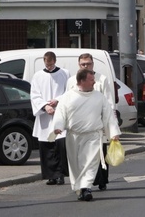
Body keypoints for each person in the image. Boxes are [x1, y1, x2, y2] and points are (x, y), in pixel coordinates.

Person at [53, 69, 121, 202]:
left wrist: (113, 133)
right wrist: (58, 127)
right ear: (82, 81)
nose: (94, 82)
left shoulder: (99, 97)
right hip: (74, 136)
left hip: (93, 136)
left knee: (91, 163)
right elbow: (60, 113)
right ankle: (79, 188)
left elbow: (108, 116)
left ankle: (86, 188)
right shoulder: (68, 96)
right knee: (76, 164)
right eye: (91, 80)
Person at [65, 53, 116, 191]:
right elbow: (67, 102)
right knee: (81, 156)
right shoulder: (71, 81)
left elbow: (109, 102)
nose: (86, 66)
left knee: (99, 153)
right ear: (79, 65)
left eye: (88, 63)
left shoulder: (101, 79)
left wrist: (111, 126)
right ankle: (83, 184)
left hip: (97, 123)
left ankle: (101, 180)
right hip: (79, 125)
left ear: (93, 64)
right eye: (83, 64)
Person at [30, 51, 70, 186]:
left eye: (51, 64)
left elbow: (69, 92)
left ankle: (60, 175)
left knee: (60, 146)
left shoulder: (64, 73)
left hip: (60, 114)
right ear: (44, 61)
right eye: (47, 65)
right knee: (46, 146)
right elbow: (34, 95)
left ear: (55, 61)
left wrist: (57, 100)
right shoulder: (38, 76)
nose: (49, 67)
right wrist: (45, 106)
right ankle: (50, 175)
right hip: (45, 116)